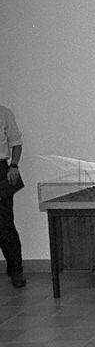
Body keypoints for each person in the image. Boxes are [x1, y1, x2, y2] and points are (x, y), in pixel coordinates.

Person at [0, 104, 25, 289]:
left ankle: (16, 270)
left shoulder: (4, 112)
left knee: (5, 224)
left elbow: (16, 142)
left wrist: (13, 166)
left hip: (1, 169)